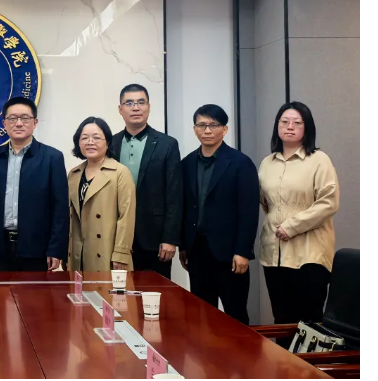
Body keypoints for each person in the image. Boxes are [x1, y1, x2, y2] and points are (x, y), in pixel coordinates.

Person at [259, 102, 339, 339]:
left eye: (297, 122)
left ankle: (307, 364)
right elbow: (266, 204)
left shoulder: (319, 160)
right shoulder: (267, 163)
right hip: (274, 253)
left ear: (307, 127)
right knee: (281, 320)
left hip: (310, 253)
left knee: (309, 321)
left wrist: (291, 226)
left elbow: (329, 202)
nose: (290, 127)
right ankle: (284, 363)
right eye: (284, 122)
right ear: (277, 126)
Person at [179, 104, 259, 325]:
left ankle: (241, 350)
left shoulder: (241, 163)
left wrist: (242, 251)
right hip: (197, 251)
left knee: (235, 314)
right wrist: (183, 245)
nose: (207, 130)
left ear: (225, 129)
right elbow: (185, 207)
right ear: (195, 129)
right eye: (201, 125)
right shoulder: (187, 163)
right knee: (202, 315)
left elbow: (249, 211)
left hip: (230, 254)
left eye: (213, 125)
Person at [0, 97, 69, 272]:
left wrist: (56, 249)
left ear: (35, 123)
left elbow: (60, 208)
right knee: (0, 290)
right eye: (13, 118)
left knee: (34, 291)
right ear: (4, 123)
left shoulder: (52, 158)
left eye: (25, 118)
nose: (19, 123)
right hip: (0, 248)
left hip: (37, 248)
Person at [111, 83, 182, 279]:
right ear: (120, 109)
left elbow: (174, 195)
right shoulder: (111, 144)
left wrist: (170, 238)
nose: (135, 108)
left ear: (149, 107)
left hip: (154, 237)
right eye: (129, 103)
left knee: (155, 293)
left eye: (141, 102)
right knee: (118, 292)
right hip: (116, 236)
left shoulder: (167, 144)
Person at [67, 117, 136, 272]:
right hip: (78, 253)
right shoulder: (74, 174)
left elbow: (126, 217)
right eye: (84, 138)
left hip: (107, 253)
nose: (90, 142)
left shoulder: (120, 172)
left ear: (108, 142)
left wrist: (121, 254)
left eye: (96, 138)